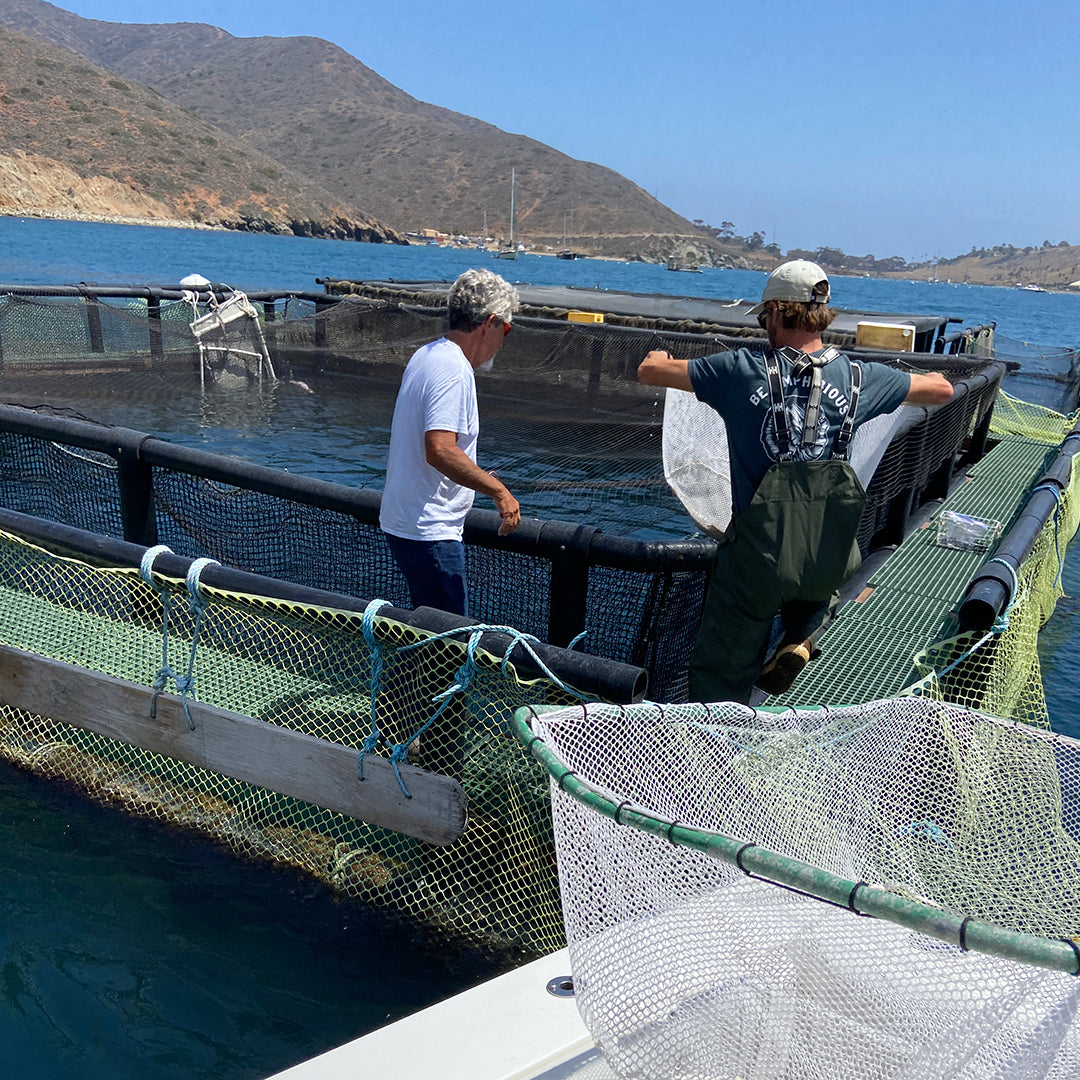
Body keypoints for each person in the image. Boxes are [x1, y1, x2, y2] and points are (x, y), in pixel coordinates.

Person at [638, 259, 954, 703]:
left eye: (765, 315)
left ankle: (712, 747)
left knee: (722, 670)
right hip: (828, 555)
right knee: (817, 585)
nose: (764, 323)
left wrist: (660, 357)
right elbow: (941, 390)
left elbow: (649, 372)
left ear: (777, 312)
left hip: (758, 561)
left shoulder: (739, 369)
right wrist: (927, 377)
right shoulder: (864, 378)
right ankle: (802, 637)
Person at [380, 268, 522, 616]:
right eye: (506, 329)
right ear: (489, 323)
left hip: (407, 523)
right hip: (430, 532)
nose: (504, 341)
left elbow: (435, 448)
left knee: (428, 636)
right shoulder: (453, 369)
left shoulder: (428, 355)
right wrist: (498, 491)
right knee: (448, 647)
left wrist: (473, 475)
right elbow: (440, 450)